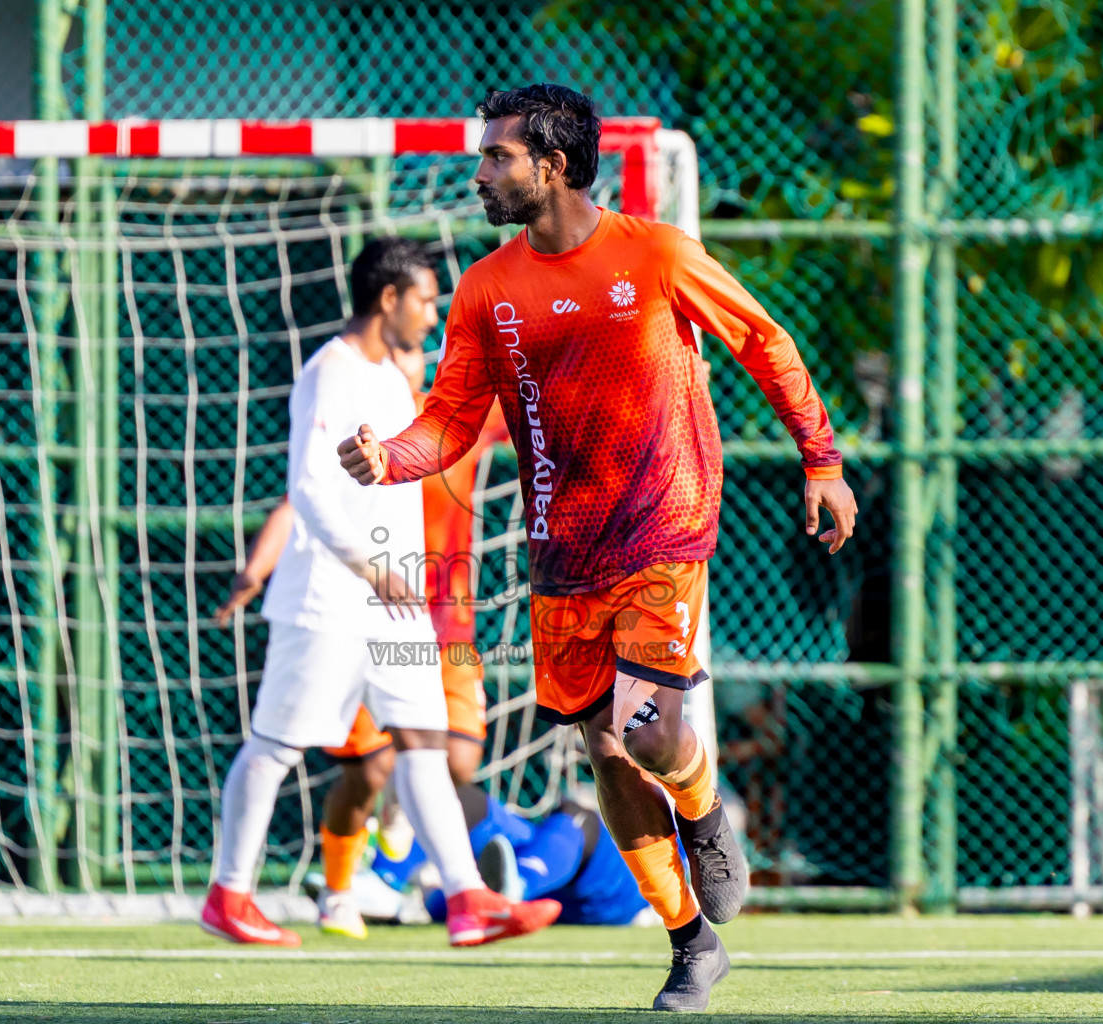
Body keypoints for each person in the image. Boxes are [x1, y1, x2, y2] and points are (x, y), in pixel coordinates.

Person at [338, 85, 858, 1010]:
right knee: (608, 752)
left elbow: (764, 340)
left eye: (497, 155)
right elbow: (450, 420)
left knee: (652, 730)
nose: (480, 171)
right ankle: (691, 943)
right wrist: (390, 461)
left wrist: (821, 459)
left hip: (665, 528)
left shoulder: (656, 253)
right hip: (563, 552)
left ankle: (702, 811)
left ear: (554, 166)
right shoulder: (487, 288)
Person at [202, 235, 560, 949]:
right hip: (330, 600)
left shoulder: (393, 382)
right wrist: (368, 567)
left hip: (397, 602)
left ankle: (469, 899)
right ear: (389, 298)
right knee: (277, 745)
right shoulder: (329, 372)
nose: (432, 315)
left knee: (424, 744)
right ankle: (229, 895)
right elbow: (307, 487)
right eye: (425, 300)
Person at [215, 345, 508, 939]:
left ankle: (413, 867)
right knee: (367, 767)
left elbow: (542, 395)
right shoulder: (363, 423)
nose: (408, 355)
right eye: (400, 346)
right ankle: (339, 891)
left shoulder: (459, 417)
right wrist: (257, 568)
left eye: (416, 349)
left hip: (444, 620)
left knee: (455, 757)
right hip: (368, 610)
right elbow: (301, 498)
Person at [372, 785, 655, 928]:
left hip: (617, 892)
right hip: (546, 866)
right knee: (456, 796)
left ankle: (512, 887)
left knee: (579, 817)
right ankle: (386, 884)